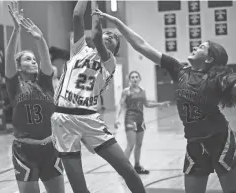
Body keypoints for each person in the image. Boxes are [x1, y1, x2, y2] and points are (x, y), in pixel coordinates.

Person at [92, 8, 236, 193]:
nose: (195, 47)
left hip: (220, 140)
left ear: (209, 59)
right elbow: (141, 45)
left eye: (201, 47)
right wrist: (116, 22)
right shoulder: (179, 70)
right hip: (194, 142)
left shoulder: (219, 78)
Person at [51, 1, 146, 193]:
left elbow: (95, 35)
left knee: (128, 171)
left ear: (114, 49)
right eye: (107, 33)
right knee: (79, 188)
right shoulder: (79, 50)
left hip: (89, 119)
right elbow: (77, 16)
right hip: (63, 120)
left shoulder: (108, 63)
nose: (108, 36)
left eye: (113, 37)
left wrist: (98, 16)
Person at [5, 1, 64, 193]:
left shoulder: (45, 82)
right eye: (28, 59)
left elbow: (46, 60)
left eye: (33, 58)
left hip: (50, 148)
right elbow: (8, 59)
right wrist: (16, 30)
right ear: (19, 66)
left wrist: (40, 40)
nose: (34, 61)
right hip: (25, 151)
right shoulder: (14, 85)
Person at [115, 70, 170, 174]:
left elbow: (147, 104)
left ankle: (137, 166)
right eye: (132, 77)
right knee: (130, 144)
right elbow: (120, 105)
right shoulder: (126, 91)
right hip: (130, 119)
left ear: (139, 79)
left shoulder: (142, 90)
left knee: (139, 144)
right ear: (129, 79)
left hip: (140, 120)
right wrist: (117, 119)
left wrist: (161, 104)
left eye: (136, 77)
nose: (134, 79)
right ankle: (123, 168)